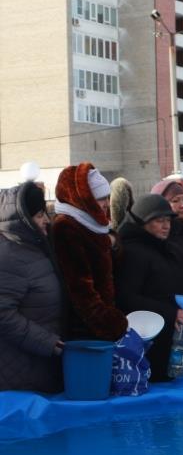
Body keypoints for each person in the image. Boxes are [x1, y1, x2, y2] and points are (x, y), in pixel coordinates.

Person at [115, 194, 183, 382]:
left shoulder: (162, 247)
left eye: (168, 221)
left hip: (166, 339)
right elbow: (127, 298)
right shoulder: (134, 252)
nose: (166, 226)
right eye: (159, 221)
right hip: (146, 341)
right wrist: (171, 312)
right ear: (143, 223)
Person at [52, 163, 128, 342]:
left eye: (107, 197)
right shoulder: (66, 227)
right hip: (85, 328)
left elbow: (108, 267)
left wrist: (113, 244)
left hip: (102, 318)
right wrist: (109, 323)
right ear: (85, 199)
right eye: (101, 198)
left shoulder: (94, 223)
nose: (106, 204)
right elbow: (80, 288)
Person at [0, 182, 64, 393]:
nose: (46, 220)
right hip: (19, 373)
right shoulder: (8, 256)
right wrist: (47, 342)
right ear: (24, 219)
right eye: (39, 215)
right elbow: (3, 314)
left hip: (38, 366)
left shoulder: (34, 248)